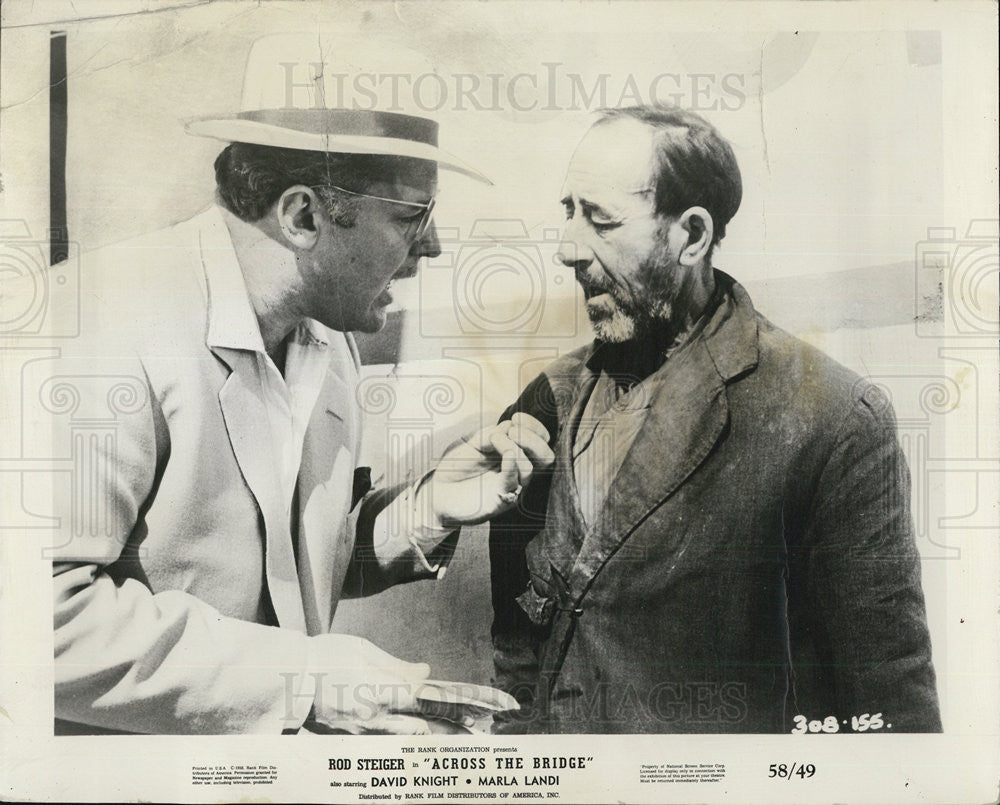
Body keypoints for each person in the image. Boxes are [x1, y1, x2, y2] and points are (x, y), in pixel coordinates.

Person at [45, 39, 552, 735]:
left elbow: (285, 570)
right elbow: (42, 621)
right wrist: (304, 680)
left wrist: (428, 507)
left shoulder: (324, 338)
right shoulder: (97, 327)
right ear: (304, 217)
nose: (432, 249)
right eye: (413, 217)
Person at [488, 106, 941, 734]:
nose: (568, 249)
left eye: (601, 220)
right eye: (568, 211)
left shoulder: (835, 421)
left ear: (692, 236)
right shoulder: (547, 401)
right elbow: (517, 651)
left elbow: (891, 709)